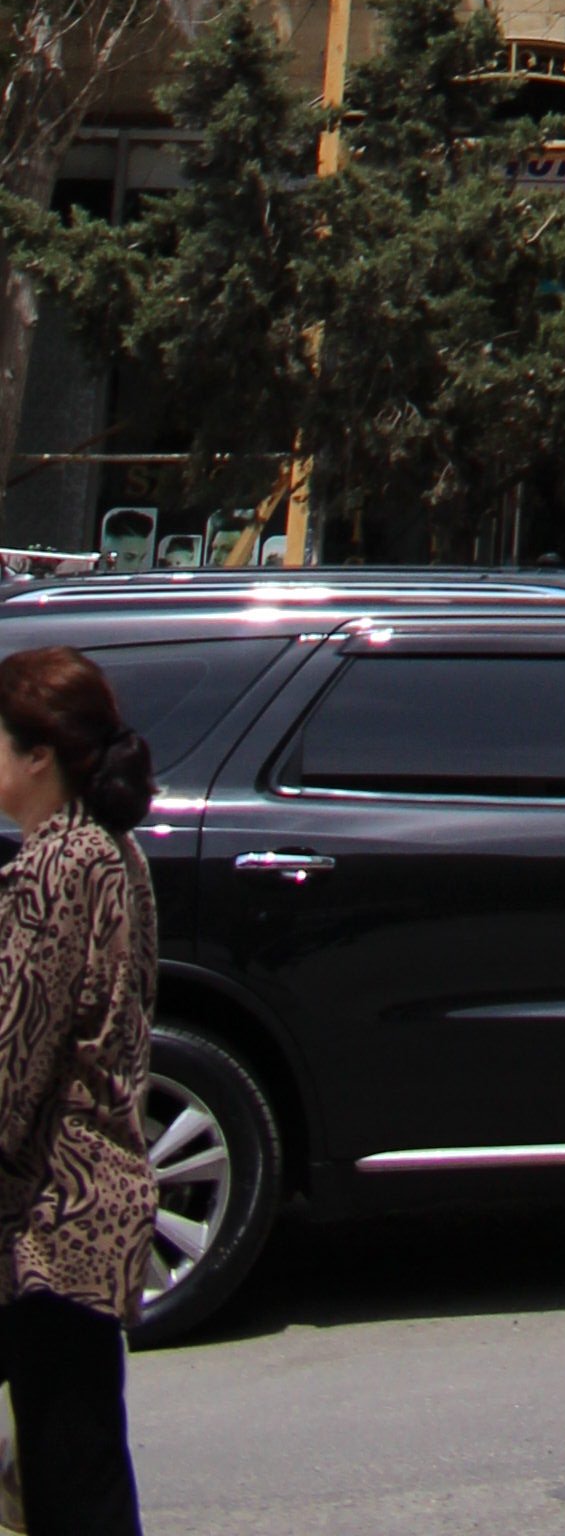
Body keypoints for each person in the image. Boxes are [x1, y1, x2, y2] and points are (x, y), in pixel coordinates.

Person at [0, 644, 160, 1536]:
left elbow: (11, 1059)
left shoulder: (55, 869)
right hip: (97, 1203)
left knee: (74, 1481)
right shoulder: (115, 852)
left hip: (51, 1221)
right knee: (77, 1466)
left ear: (38, 755)